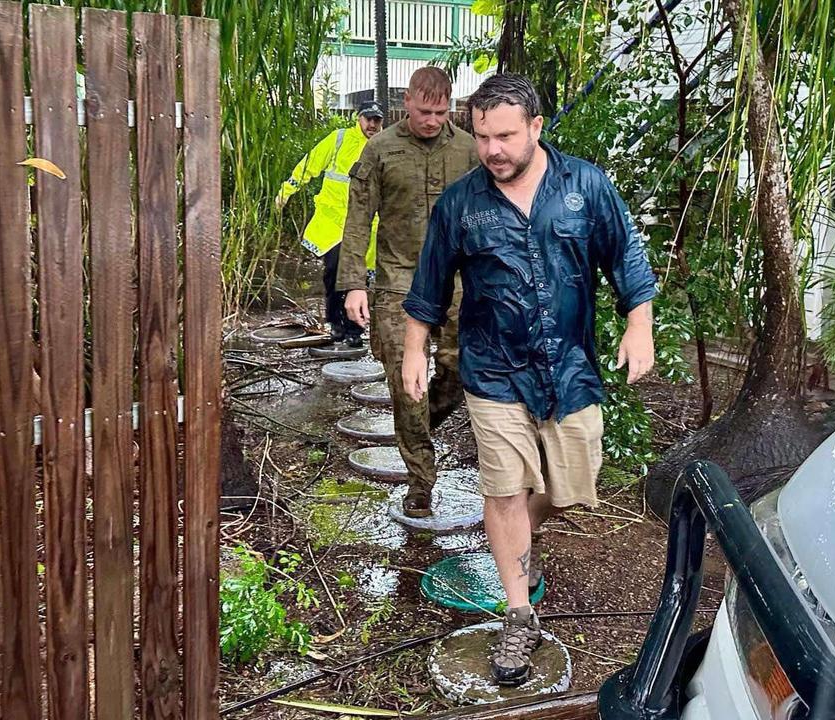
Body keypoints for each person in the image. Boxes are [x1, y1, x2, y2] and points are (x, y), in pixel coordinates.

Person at [401, 74, 656, 685]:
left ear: (536, 128)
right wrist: (416, 349)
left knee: (574, 485)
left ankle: (512, 532)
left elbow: (626, 256)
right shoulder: (460, 203)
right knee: (505, 490)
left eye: (506, 136)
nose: (493, 150)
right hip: (492, 370)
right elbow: (428, 287)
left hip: (568, 366)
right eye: (484, 136)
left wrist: (638, 325)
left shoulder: (584, 186)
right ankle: (519, 611)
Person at [338, 67, 479, 518]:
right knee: (406, 380)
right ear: (407, 101)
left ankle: (417, 428)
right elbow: (358, 220)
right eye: (424, 111)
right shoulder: (380, 149)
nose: (433, 120)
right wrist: (354, 284)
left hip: (457, 283)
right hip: (399, 281)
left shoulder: (470, 150)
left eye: (441, 112)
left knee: (457, 372)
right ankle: (421, 481)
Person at [276, 100, 384, 348]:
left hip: (367, 224)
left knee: (360, 279)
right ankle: (336, 324)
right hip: (333, 221)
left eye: (377, 120)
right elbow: (310, 164)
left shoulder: (383, 146)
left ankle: (355, 330)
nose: (372, 124)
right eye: (368, 119)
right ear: (358, 118)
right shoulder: (340, 139)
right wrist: (286, 190)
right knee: (335, 270)